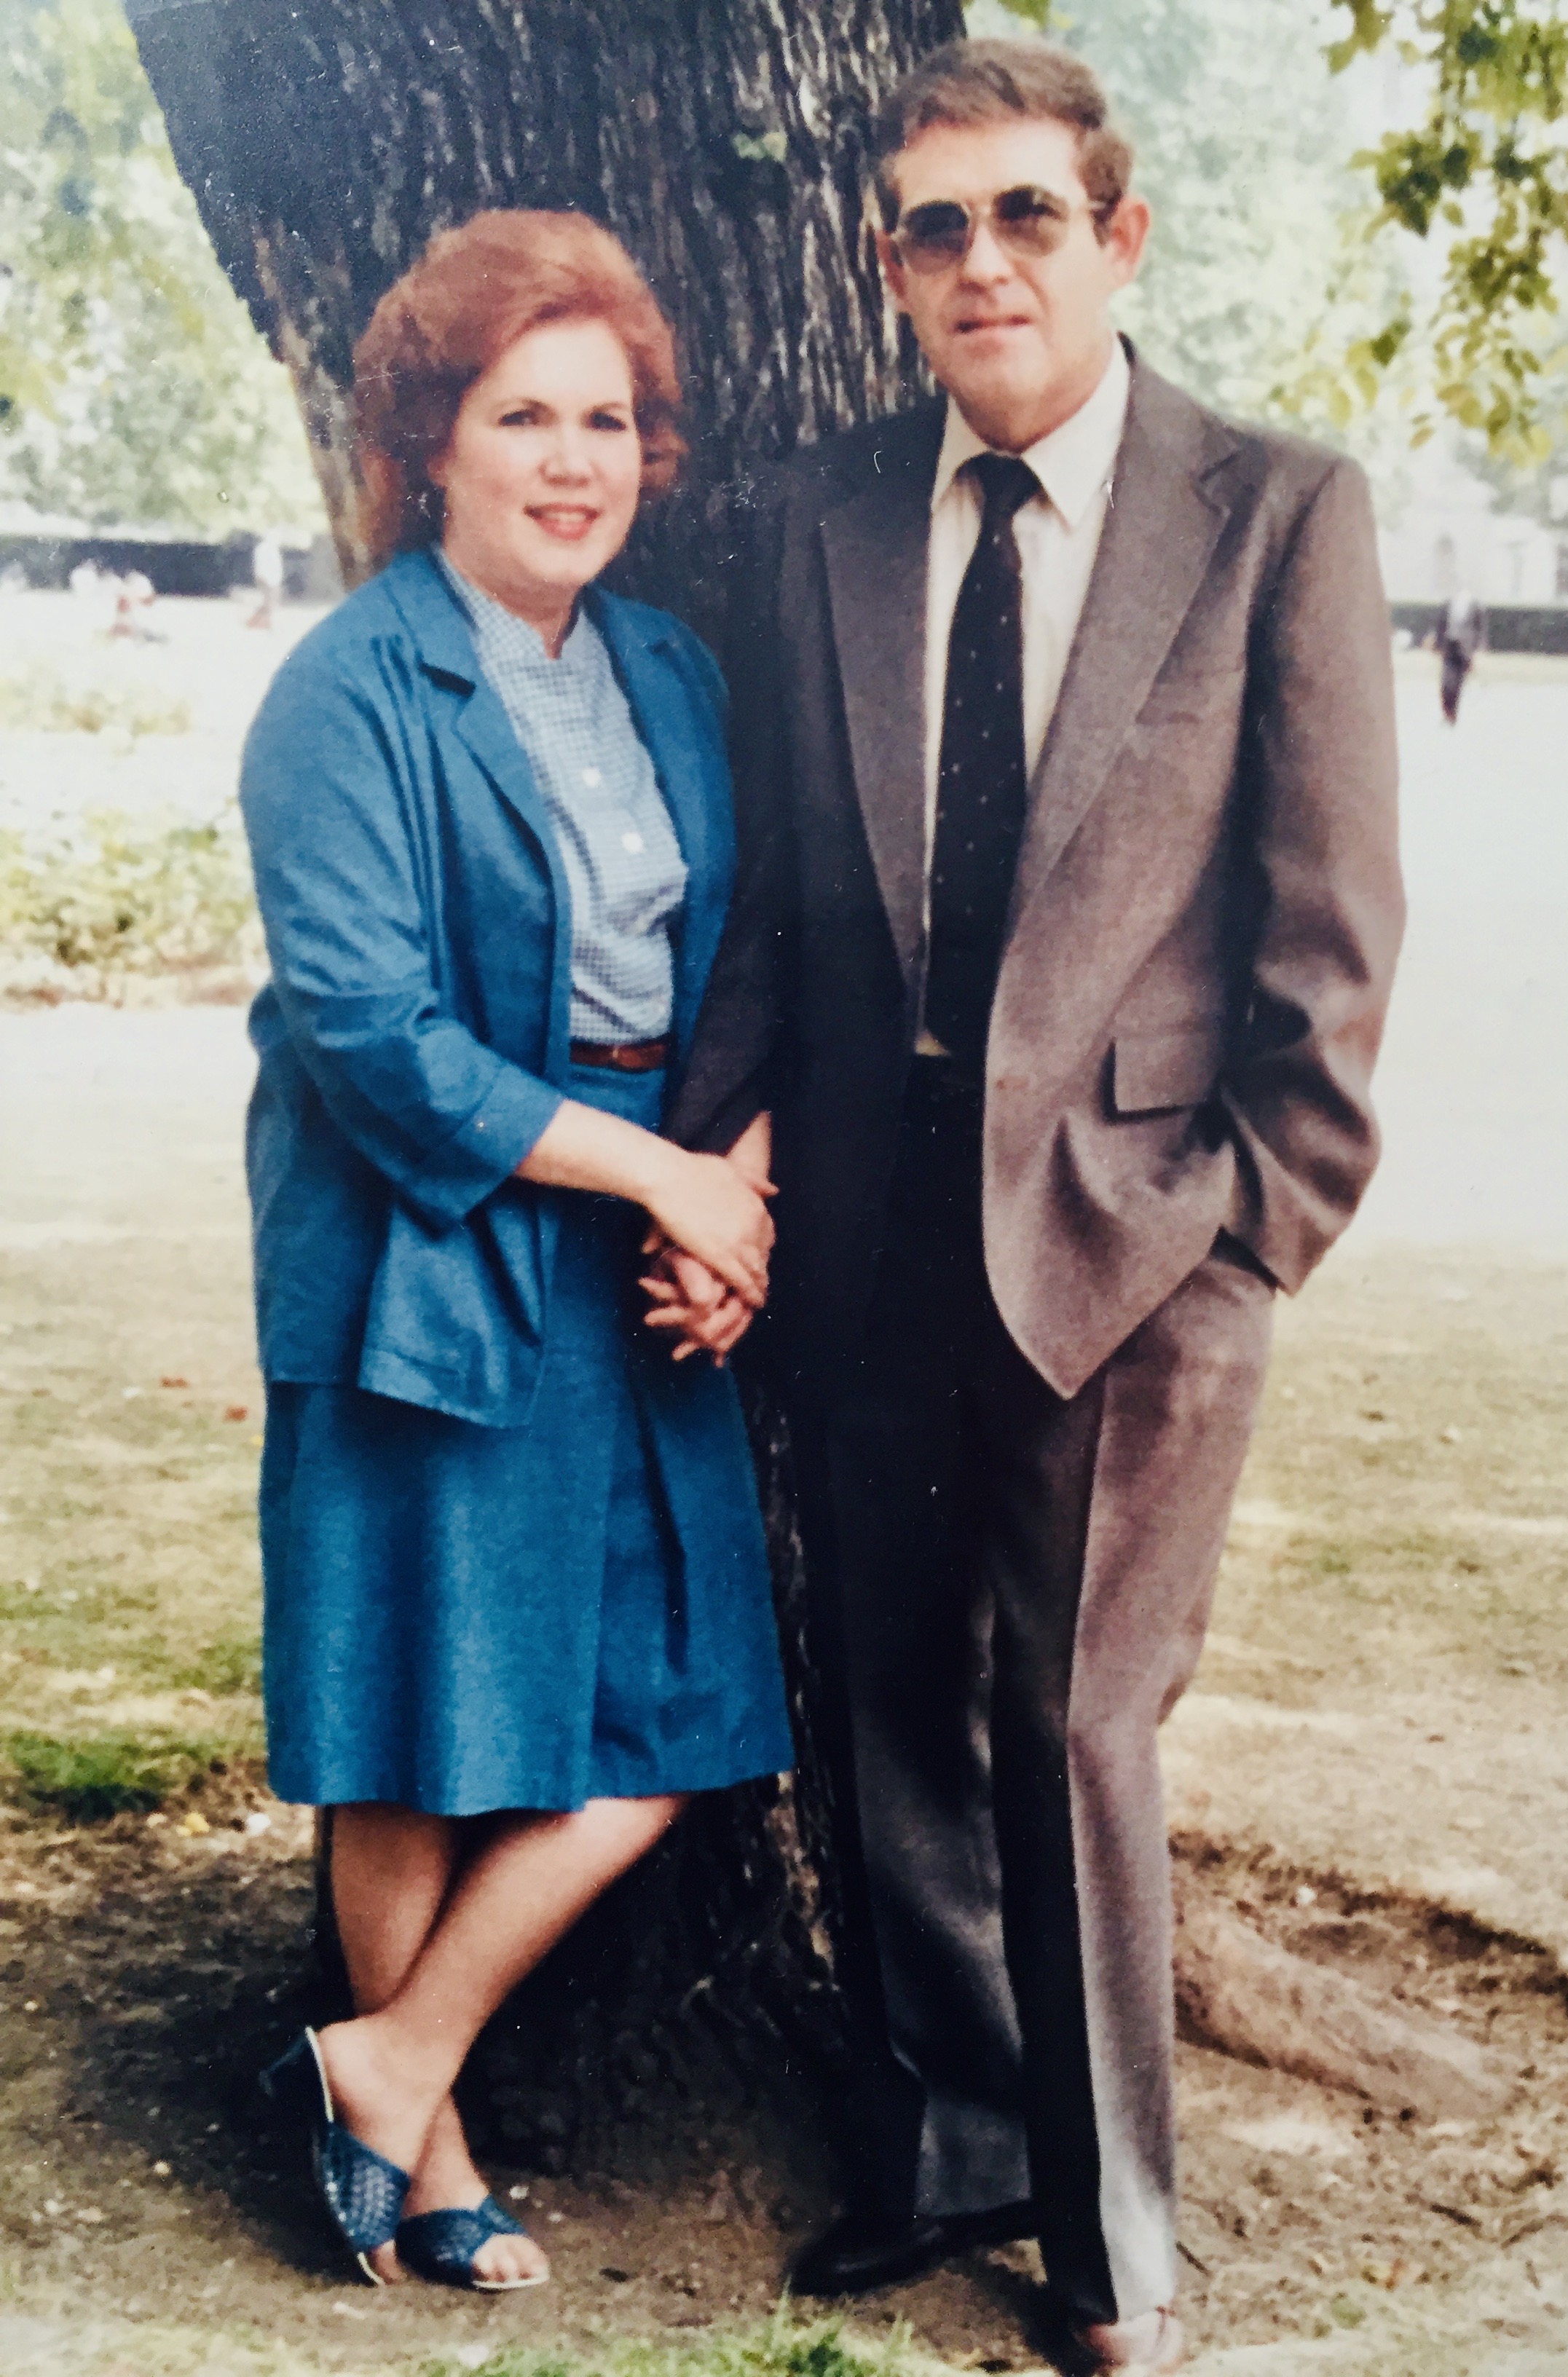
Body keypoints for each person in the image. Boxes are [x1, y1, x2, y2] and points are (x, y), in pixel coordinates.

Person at [662, 39, 1403, 2375]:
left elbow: (1331, 932)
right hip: (869, 1227)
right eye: (931, 227)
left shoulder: (1277, 507)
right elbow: (781, 896)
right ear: (888, 265)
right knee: (881, 1695)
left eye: (1023, 217)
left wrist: (1256, 1222)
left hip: (1143, 1235)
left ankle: (1113, 2245)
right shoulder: (830, 513)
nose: (978, 262)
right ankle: (946, 2145)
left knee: (1070, 1717)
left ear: (1120, 237)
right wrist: (728, 1160)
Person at [241, 209, 791, 2295]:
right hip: (424, 1246)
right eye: (523, 417)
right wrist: (657, 1180)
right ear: (428, 445)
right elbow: (379, 1043)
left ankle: (380, 2060)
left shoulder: (668, 669)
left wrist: (723, 1179)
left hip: (644, 1227)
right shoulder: (349, 691)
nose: (575, 460)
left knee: (679, 1713)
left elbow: (743, 957)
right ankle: (434, 2149)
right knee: (411, 1716)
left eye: (609, 420)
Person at [1436, 587, 1484, 723]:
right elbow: (1440, 625)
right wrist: (1439, 644)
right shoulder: (1448, 605)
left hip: (1464, 650)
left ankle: (1452, 714)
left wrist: (1477, 648)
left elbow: (1480, 629)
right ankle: (1446, 711)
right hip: (1449, 647)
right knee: (1446, 682)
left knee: (1457, 684)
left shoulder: (1475, 608)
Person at [248, 532, 285, 628]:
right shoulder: (265, 549)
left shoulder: (270, 548)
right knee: (270, 602)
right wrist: (265, 577)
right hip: (268, 579)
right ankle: (260, 622)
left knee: (269, 602)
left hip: (272, 579)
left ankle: (256, 622)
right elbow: (263, 565)